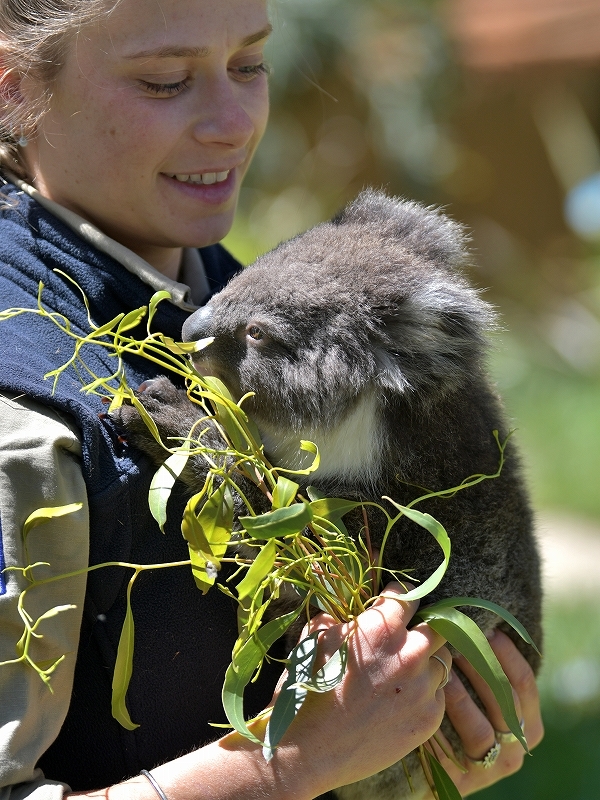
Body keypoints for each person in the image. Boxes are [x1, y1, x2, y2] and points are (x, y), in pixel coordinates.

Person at [0, 1, 543, 799]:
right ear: (13, 91)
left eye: (250, 65)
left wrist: (432, 738)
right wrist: (294, 762)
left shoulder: (215, 284)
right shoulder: (26, 415)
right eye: (164, 81)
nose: (231, 122)